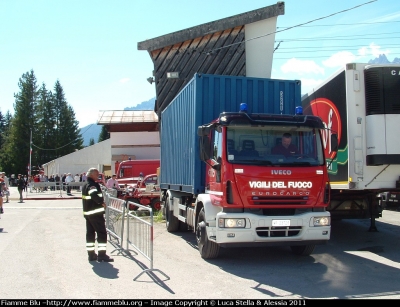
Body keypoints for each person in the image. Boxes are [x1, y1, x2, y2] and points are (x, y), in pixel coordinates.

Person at [82, 167, 114, 262]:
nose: (98, 176)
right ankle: (102, 255)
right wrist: (101, 202)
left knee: (90, 234)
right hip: (95, 214)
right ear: (91, 175)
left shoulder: (85, 185)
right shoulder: (92, 185)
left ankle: (91, 255)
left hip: (88, 214)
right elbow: (94, 195)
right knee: (102, 234)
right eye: (96, 174)